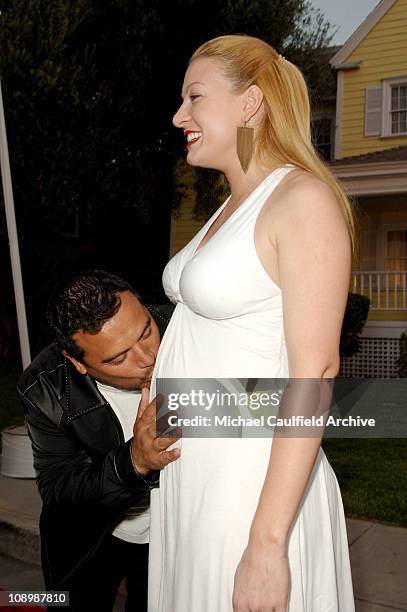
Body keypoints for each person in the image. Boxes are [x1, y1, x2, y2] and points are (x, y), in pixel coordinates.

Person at [148, 35, 355, 611]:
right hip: (196, 475)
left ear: (249, 104)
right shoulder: (228, 207)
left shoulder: (301, 199)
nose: (178, 116)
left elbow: (315, 369)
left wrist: (267, 543)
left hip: (250, 484)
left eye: (194, 98)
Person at [17, 270, 179, 612]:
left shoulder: (185, 328)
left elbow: (292, 405)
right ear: (78, 363)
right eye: (119, 358)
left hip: (175, 531)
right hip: (94, 537)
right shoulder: (44, 388)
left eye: (147, 331)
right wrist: (134, 462)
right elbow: (59, 491)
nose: (148, 357)